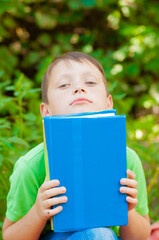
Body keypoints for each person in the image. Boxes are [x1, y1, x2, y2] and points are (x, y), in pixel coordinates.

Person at [2, 52, 151, 240]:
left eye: (89, 83)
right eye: (64, 85)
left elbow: (139, 236)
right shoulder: (31, 166)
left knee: (100, 234)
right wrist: (38, 212)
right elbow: (9, 236)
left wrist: (128, 210)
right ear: (46, 112)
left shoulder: (126, 159)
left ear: (108, 103)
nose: (79, 88)